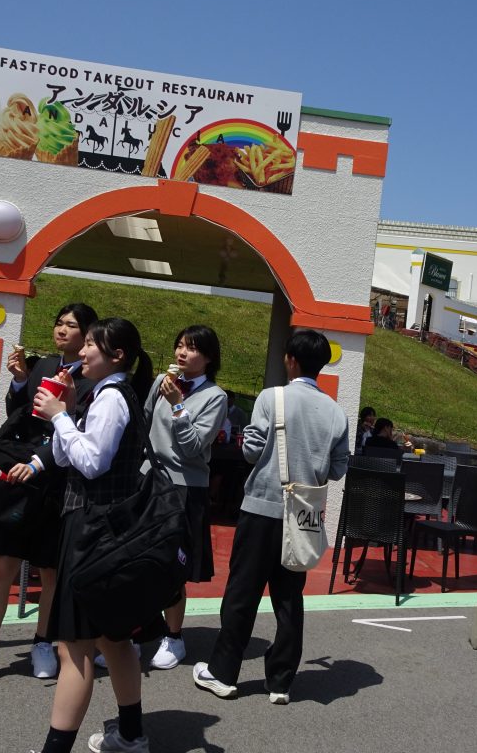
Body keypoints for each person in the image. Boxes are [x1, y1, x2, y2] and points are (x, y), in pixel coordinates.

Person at [193, 329, 348, 704]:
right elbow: (337, 468)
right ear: (321, 364)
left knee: (242, 593)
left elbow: (250, 452)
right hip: (302, 516)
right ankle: (280, 680)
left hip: (262, 507)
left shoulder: (271, 398)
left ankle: (223, 673)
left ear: (290, 360)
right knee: (289, 597)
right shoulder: (335, 412)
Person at [0, 303, 97, 690]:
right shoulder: (43, 366)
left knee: (50, 570)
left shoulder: (90, 379)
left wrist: (41, 460)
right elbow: (18, 417)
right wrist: (20, 381)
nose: (61, 330)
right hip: (17, 481)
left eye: (71, 325)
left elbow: (78, 433)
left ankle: (43, 642)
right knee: (0, 564)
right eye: (59, 322)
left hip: (57, 483)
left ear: (88, 334)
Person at [32, 317, 155, 753]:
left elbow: (92, 464)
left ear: (116, 356)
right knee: (113, 640)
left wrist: (61, 417)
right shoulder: (108, 394)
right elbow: (68, 458)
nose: (81, 353)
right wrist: (64, 414)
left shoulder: (112, 398)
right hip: (106, 531)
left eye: (90, 346)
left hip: (91, 531)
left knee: (75, 649)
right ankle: (132, 734)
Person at [144, 325, 227, 670]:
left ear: (208, 358)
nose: (181, 353)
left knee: (173, 565)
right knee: (139, 560)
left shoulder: (215, 397)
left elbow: (193, 447)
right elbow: (144, 422)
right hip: (149, 479)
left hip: (184, 486)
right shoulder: (161, 382)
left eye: (191, 348)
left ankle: (174, 636)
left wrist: (178, 405)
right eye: (179, 345)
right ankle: (137, 632)